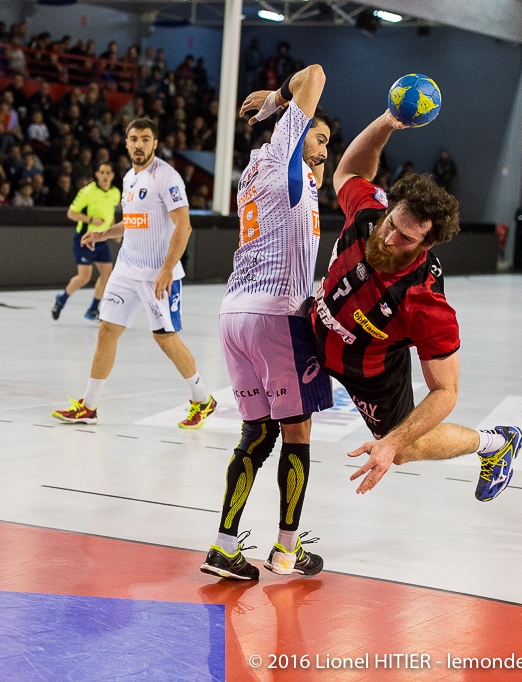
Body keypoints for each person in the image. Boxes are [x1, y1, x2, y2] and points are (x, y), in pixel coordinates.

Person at [307, 108, 522, 502]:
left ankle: (494, 443)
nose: (390, 239)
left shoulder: (425, 303)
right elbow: (347, 172)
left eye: (406, 238)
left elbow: (446, 390)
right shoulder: (371, 214)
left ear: (428, 244)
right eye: (392, 224)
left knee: (404, 449)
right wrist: (386, 123)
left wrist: (392, 441)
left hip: (371, 372)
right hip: (315, 331)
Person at [200, 65, 335, 581]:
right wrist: (277, 98)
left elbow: (315, 178)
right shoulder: (283, 156)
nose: (324, 148)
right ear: (296, 133)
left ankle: (224, 544)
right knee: (297, 434)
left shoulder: (256, 171)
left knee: (256, 433)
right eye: (318, 137)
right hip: (277, 316)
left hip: (235, 314)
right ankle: (286, 550)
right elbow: (315, 74)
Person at [51, 117, 217, 429]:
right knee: (107, 331)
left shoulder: (166, 177)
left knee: (165, 339)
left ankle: (202, 399)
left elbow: (184, 224)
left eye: (145, 139)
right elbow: (134, 221)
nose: (138, 144)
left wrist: (167, 269)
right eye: (133, 139)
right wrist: (102, 234)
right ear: (126, 143)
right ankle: (88, 406)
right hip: (126, 268)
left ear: (155, 143)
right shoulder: (128, 178)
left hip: (157, 273)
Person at [51, 161, 121, 322]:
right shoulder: (87, 191)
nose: (104, 176)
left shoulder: (115, 193)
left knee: (107, 274)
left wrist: (114, 232)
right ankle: (62, 298)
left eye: (108, 172)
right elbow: (71, 213)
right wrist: (90, 219)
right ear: (96, 174)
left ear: (112, 175)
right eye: (102, 172)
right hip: (85, 238)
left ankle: (93, 309)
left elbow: (110, 213)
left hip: (101, 239)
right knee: (84, 277)